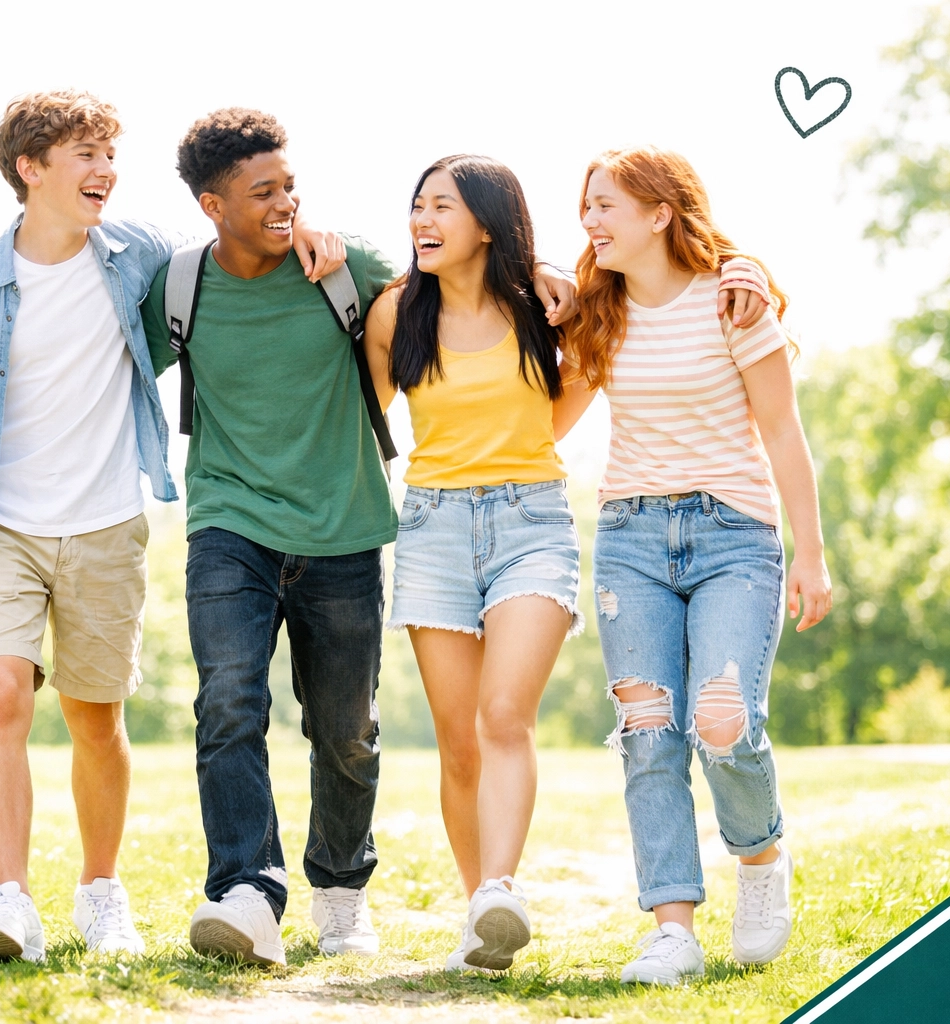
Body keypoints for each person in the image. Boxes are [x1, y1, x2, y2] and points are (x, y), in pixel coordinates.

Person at [0, 90, 343, 964]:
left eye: (109, 155)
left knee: (95, 717)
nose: (106, 171)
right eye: (84, 156)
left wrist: (317, 233)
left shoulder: (136, 255)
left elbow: (234, 246)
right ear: (30, 169)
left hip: (105, 522)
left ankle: (101, 893)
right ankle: (10, 899)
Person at [135, 111, 581, 968]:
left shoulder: (352, 267)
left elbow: (467, 282)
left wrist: (549, 267)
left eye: (290, 187)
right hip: (228, 518)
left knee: (346, 729)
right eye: (263, 192)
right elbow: (106, 345)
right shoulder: (179, 287)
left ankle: (340, 890)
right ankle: (246, 891)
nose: (286, 204)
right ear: (211, 203)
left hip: (344, 526)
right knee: (229, 700)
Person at [362, 155, 768, 974]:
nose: (423, 222)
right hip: (434, 526)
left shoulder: (549, 309)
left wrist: (743, 265)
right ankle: (483, 920)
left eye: (442, 206)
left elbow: (559, 413)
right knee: (458, 741)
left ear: (485, 221)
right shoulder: (394, 313)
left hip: (531, 523)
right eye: (417, 208)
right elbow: (366, 416)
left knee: (504, 714)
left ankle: (499, 888)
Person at [557, 145, 833, 986]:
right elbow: (549, 422)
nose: (591, 221)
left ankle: (759, 859)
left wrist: (811, 555)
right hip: (631, 539)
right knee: (648, 734)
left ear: (659, 213)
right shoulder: (601, 316)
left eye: (606, 205)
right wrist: (546, 305)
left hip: (733, 537)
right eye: (587, 207)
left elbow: (783, 431)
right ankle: (671, 927)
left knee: (723, 720)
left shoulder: (735, 299)